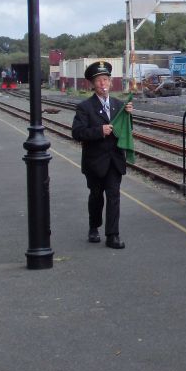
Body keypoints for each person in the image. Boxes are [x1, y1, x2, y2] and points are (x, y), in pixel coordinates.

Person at [71, 61, 133, 249]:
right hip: (95, 161)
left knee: (114, 196)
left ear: (110, 81)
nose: (103, 83)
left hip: (114, 160)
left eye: (106, 79)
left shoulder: (119, 105)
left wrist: (129, 116)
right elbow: (77, 132)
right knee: (96, 196)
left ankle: (113, 235)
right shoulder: (85, 107)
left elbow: (126, 131)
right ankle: (93, 226)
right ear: (92, 84)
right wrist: (99, 130)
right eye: (99, 81)